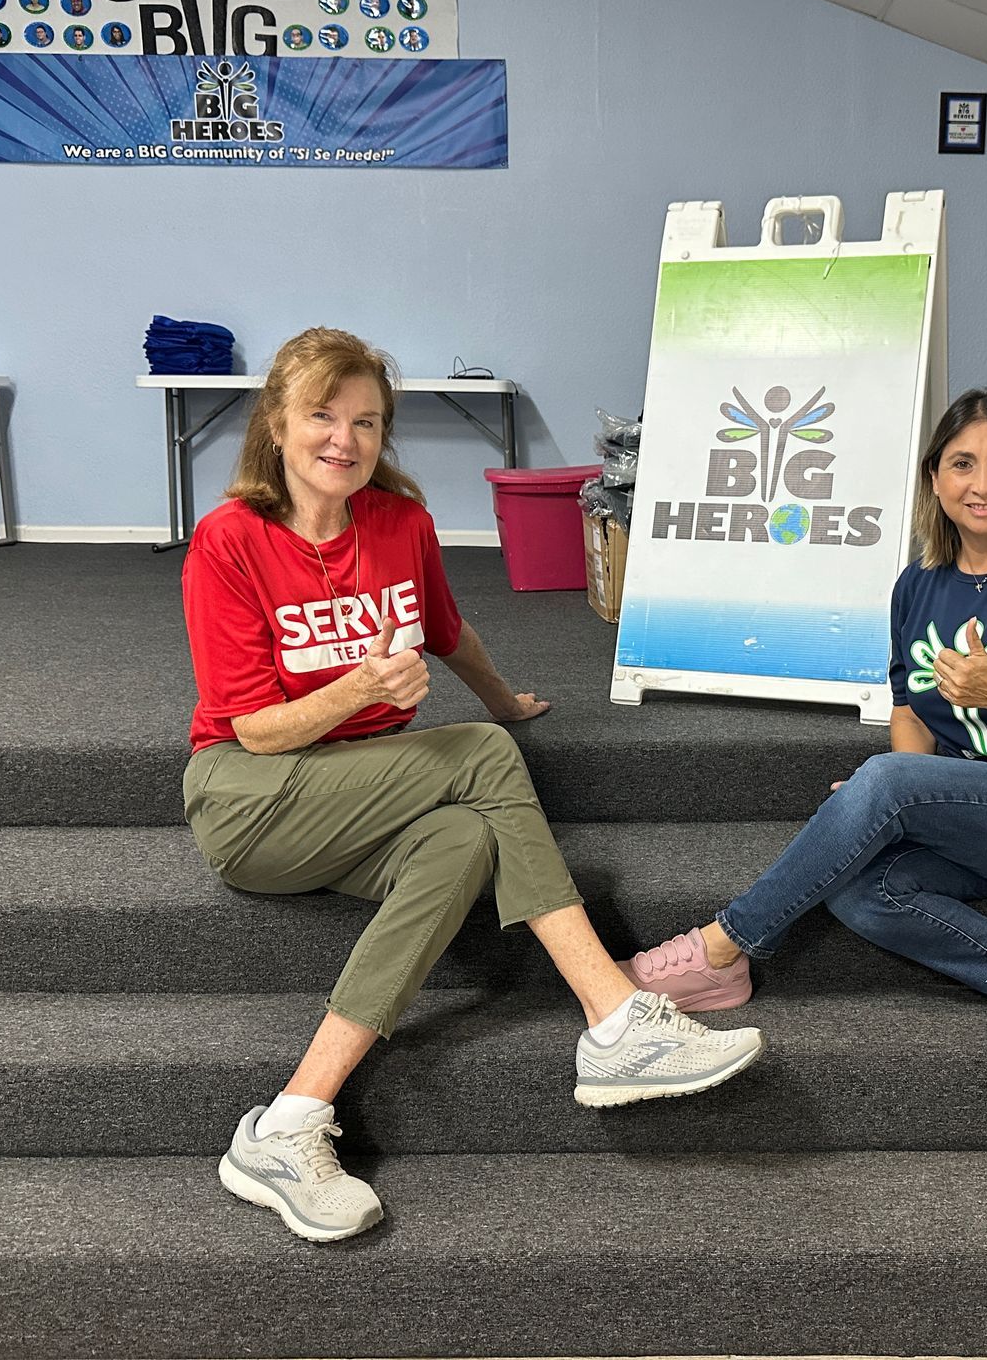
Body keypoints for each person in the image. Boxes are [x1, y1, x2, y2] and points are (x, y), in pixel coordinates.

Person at [181, 327, 763, 1243]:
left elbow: (446, 631)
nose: (345, 439)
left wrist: (505, 700)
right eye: (322, 416)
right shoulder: (232, 540)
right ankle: (614, 1017)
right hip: (248, 795)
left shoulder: (398, 523)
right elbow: (251, 727)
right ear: (277, 426)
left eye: (366, 421)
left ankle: (289, 1121)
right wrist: (364, 688)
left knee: (466, 837)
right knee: (485, 760)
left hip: (353, 793)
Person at [622, 387, 987, 1049]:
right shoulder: (918, 583)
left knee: (884, 782)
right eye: (963, 464)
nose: (983, 483)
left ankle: (721, 944)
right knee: (861, 888)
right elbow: (910, 709)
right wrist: (915, 790)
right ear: (935, 479)